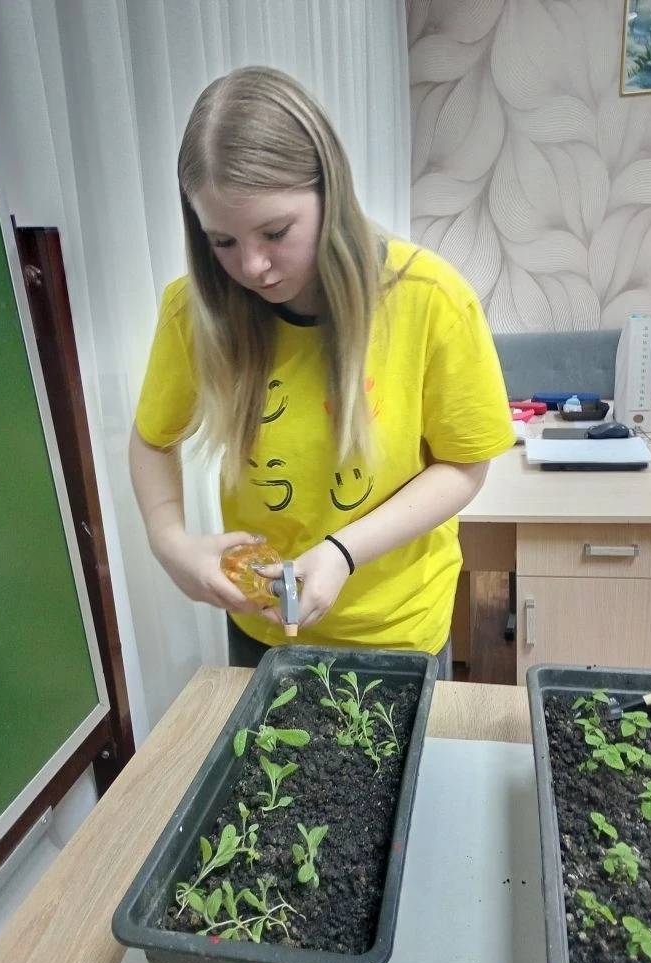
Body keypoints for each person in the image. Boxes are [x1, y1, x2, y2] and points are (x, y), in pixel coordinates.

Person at [129, 66, 514, 677]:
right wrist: (170, 542)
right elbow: (153, 439)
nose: (252, 267)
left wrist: (343, 551)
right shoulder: (195, 311)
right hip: (263, 632)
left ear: (330, 193)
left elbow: (465, 465)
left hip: (397, 634)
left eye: (275, 232)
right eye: (222, 242)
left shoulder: (431, 300)